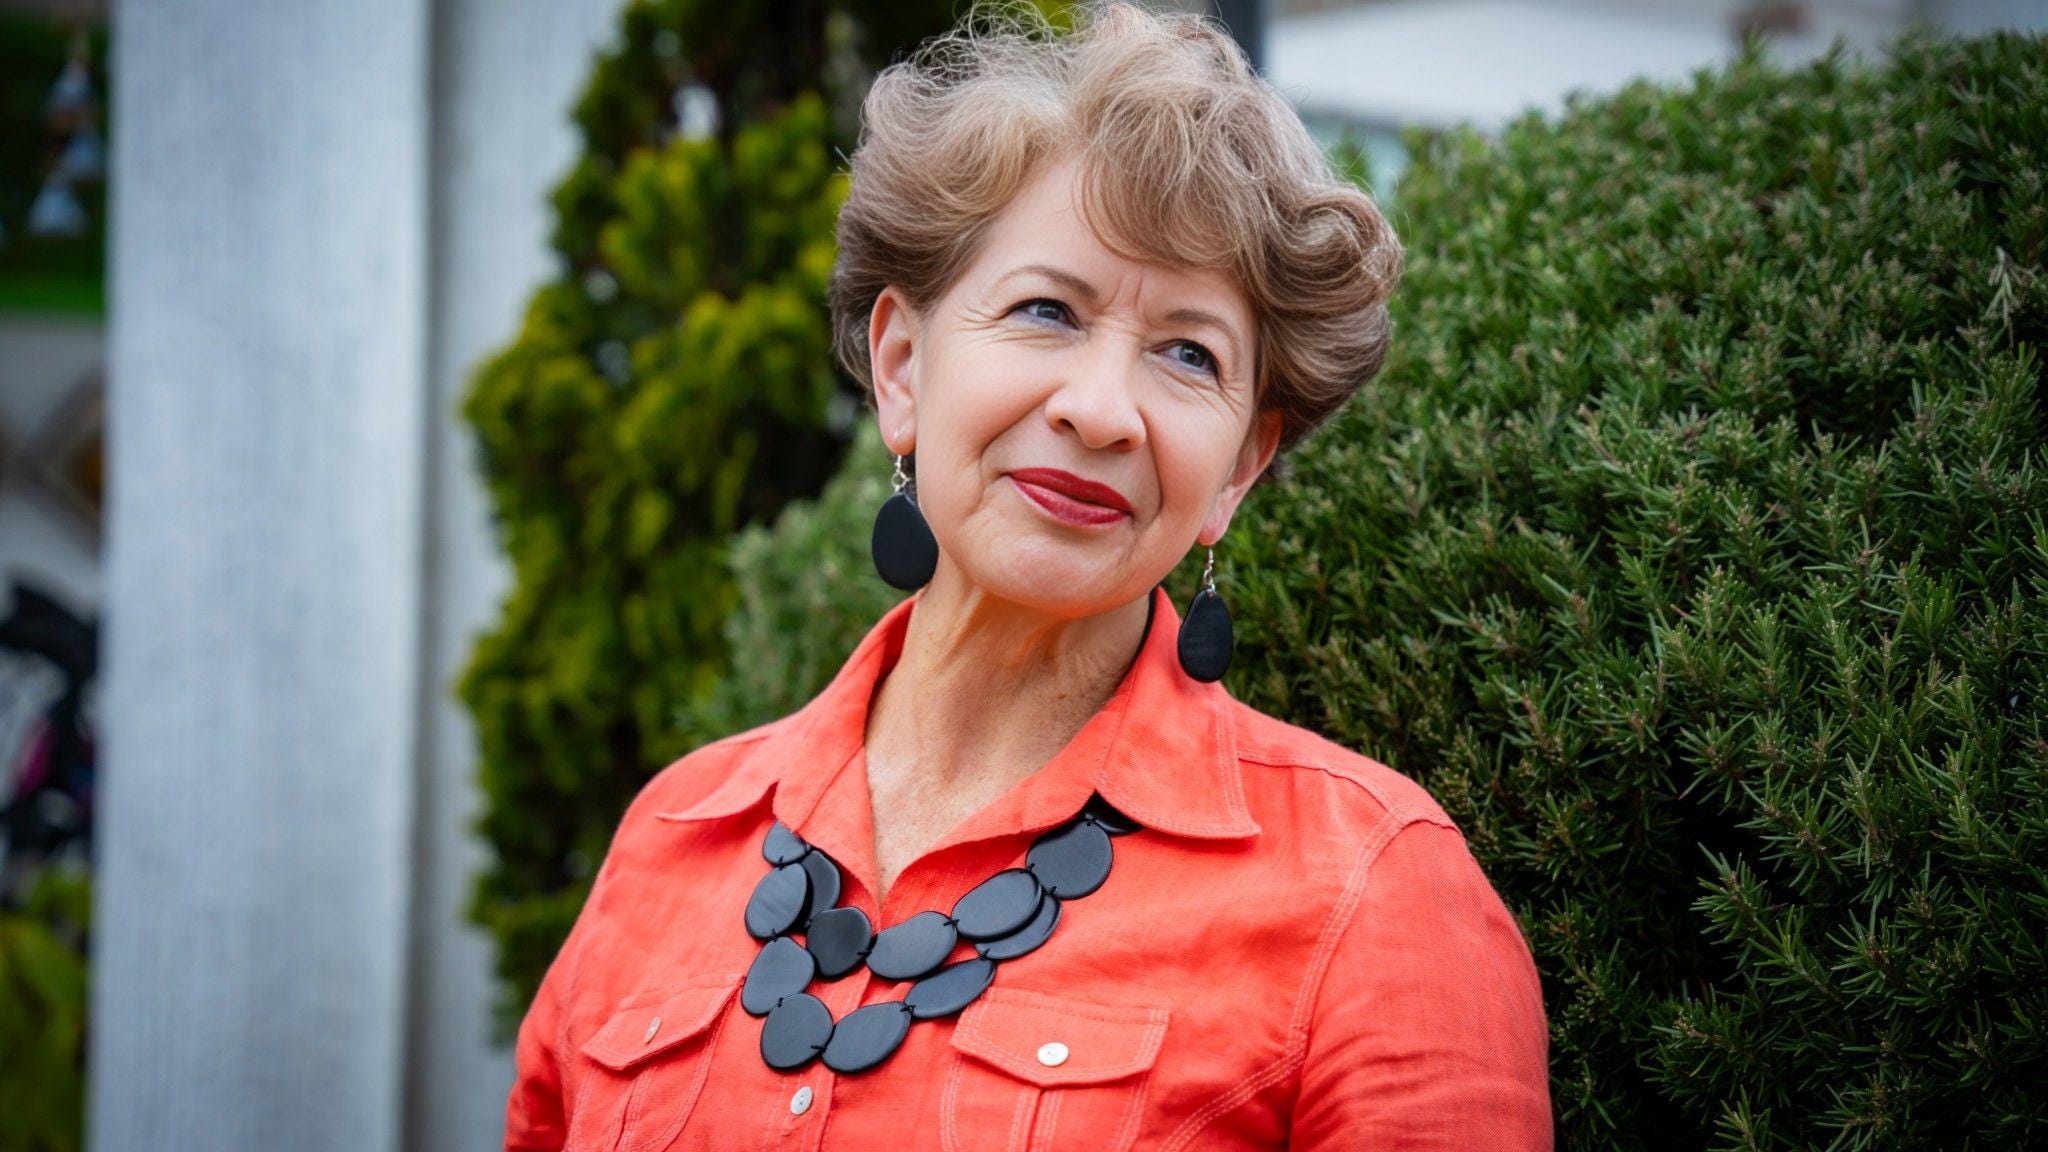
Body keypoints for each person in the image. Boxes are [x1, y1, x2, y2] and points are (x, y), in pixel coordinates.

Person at [504, 2, 1551, 1148]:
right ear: (901, 367)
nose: (1099, 411)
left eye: (1187, 354)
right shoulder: (672, 836)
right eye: (1047, 309)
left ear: (1237, 471)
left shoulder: (1371, 891)